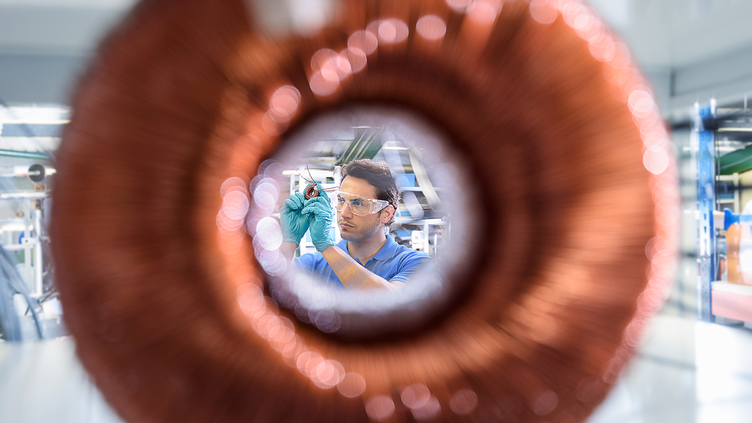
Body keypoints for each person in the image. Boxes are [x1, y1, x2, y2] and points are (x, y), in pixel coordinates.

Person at [280, 159, 432, 290]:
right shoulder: (312, 265)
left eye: (358, 203)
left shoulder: (414, 263)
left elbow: (390, 301)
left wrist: (326, 246)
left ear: (386, 213)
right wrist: (289, 241)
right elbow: (268, 293)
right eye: (341, 201)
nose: (344, 213)